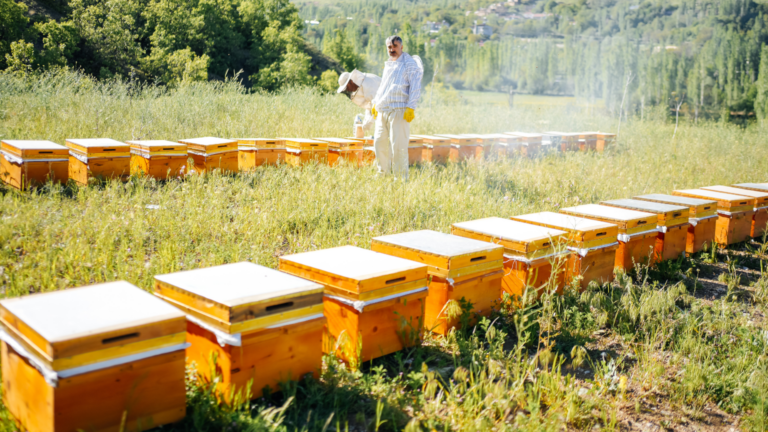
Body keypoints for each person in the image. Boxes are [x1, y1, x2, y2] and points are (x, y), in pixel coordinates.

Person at [370, 35, 423, 180]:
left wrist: (411, 107)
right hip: (383, 110)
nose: (392, 49)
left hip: (399, 110)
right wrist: (375, 102)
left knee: (398, 147)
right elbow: (383, 85)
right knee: (379, 143)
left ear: (401, 47)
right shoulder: (389, 64)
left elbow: (415, 86)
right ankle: (382, 174)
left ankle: (400, 179)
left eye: (395, 46)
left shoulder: (409, 64)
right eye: (389, 47)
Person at [337, 69, 381, 134]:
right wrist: (366, 120)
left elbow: (377, 105)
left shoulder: (368, 83)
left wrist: (370, 122)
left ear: (351, 81)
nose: (347, 90)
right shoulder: (362, 84)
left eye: (347, 87)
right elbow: (370, 106)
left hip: (393, 109)